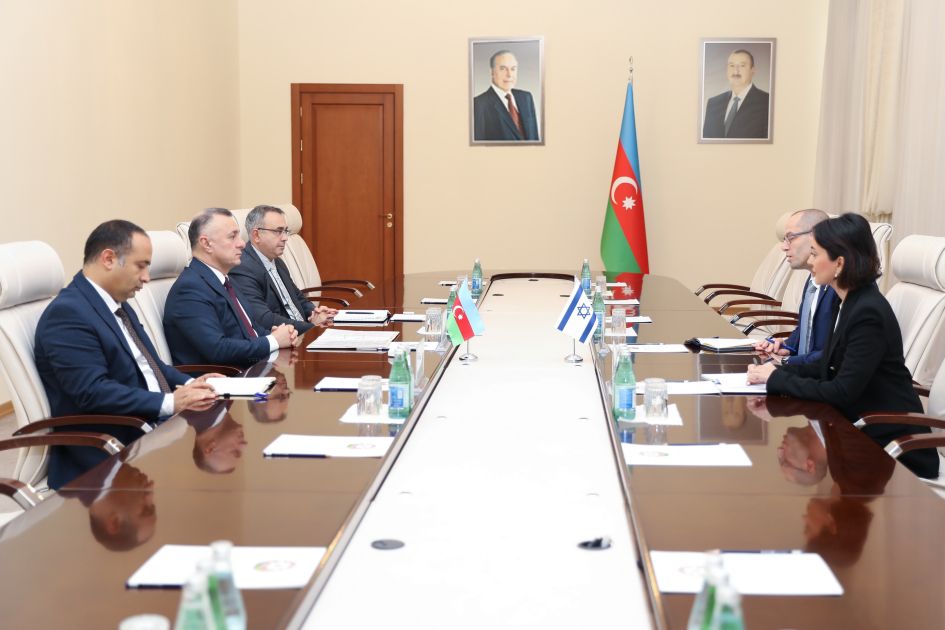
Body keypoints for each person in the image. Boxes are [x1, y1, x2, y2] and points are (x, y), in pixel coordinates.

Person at [747, 213, 938, 478]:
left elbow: (841, 391)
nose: (810, 261)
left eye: (815, 254)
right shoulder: (847, 300)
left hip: (893, 448)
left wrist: (777, 379)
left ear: (839, 263)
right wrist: (776, 370)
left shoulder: (868, 312)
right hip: (859, 431)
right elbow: (828, 362)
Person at [34, 220, 219, 488]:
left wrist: (192, 384)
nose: (146, 277)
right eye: (140, 266)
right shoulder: (68, 314)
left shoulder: (116, 303)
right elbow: (93, 392)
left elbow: (152, 366)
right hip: (110, 450)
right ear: (109, 259)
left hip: (152, 428)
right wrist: (171, 402)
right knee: (211, 475)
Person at [164, 208, 299, 367]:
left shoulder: (226, 280)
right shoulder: (189, 289)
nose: (242, 243)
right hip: (226, 377)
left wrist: (277, 334)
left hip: (257, 367)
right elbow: (218, 350)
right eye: (232, 236)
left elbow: (252, 329)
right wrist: (273, 341)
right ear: (206, 243)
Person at [229, 205, 336, 333]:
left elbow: (298, 297)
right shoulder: (241, 268)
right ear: (256, 235)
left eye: (285, 231)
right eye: (278, 231)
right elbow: (264, 319)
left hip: (300, 331)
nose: (285, 238)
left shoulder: (277, 261)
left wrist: (314, 313)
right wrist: (312, 328)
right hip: (283, 339)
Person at [754, 209, 839, 365]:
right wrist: (786, 346)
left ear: (816, 236)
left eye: (790, 238)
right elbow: (806, 329)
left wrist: (786, 362)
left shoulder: (841, 285)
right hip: (803, 370)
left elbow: (836, 352)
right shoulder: (812, 279)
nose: (783, 247)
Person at [473, 50, 539, 141]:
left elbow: (535, 138)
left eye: (513, 69)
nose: (509, 74)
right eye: (503, 69)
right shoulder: (479, 104)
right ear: (492, 72)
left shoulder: (526, 98)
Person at [702, 49, 770, 139]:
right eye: (732, 65)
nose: (736, 71)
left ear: (753, 70)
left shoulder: (767, 102)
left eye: (742, 66)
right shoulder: (713, 103)